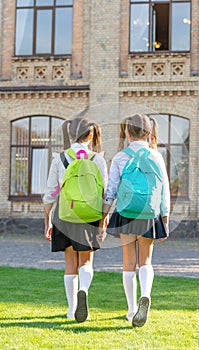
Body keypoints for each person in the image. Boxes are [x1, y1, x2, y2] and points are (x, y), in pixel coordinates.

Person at [99, 114, 170, 327]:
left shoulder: (121, 157)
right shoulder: (156, 156)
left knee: (128, 263)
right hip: (149, 213)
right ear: (148, 133)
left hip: (126, 212)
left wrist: (103, 217)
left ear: (127, 133)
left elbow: (111, 191)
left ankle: (131, 311)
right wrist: (165, 217)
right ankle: (145, 294)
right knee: (145, 262)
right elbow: (164, 189)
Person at [43, 116, 108, 323]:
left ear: (70, 134)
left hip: (65, 215)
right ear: (91, 135)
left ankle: (72, 309)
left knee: (69, 263)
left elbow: (50, 194)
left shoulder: (60, 158)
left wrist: (47, 221)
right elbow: (105, 193)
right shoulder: (97, 159)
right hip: (89, 215)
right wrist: (103, 220)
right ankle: (84, 290)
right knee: (86, 261)